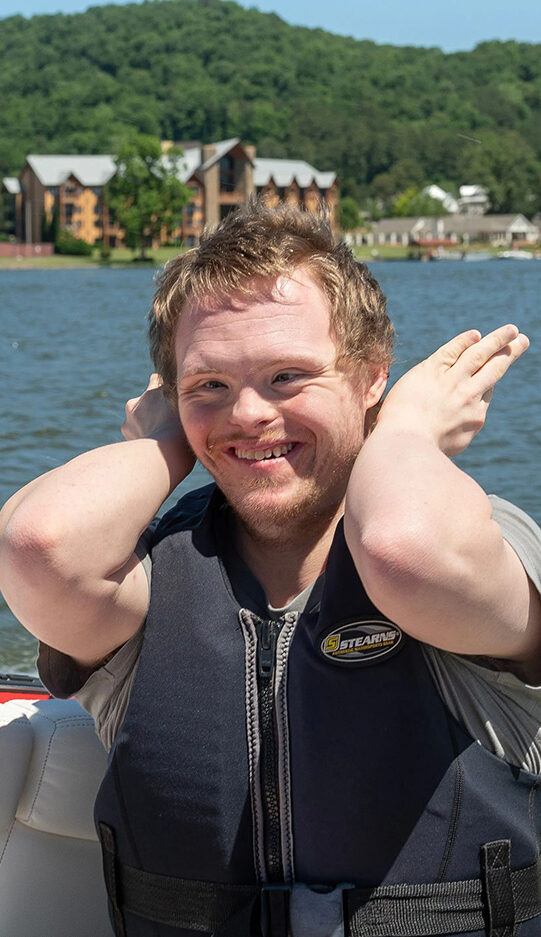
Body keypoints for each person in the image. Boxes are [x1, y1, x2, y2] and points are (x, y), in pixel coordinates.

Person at [1, 202, 540, 937]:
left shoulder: (473, 538)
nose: (248, 414)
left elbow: (402, 550)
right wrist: (172, 437)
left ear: (370, 377)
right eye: (209, 384)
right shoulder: (145, 581)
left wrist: (407, 428)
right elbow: (38, 544)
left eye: (287, 376)